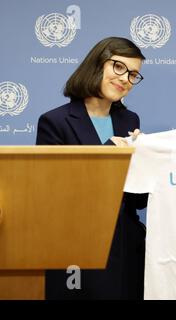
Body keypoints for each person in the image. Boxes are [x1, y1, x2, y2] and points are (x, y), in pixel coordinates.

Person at [36, 37, 148, 299]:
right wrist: (109, 153)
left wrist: (142, 162)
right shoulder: (55, 121)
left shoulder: (130, 120)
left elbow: (137, 199)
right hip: (76, 248)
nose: (125, 79)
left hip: (125, 245)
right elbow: (52, 195)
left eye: (133, 74)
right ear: (97, 64)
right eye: (118, 67)